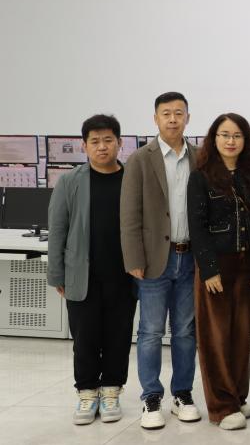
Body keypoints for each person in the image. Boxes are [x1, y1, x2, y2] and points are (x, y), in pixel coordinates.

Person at [47, 114, 137, 425]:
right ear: (84, 146)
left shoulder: (131, 179)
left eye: (108, 140)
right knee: (84, 338)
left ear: (119, 143)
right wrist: (56, 274)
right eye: (95, 141)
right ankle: (86, 392)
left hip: (124, 275)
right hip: (81, 274)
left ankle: (111, 390)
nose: (102, 147)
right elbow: (57, 229)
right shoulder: (70, 182)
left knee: (118, 335)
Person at [120, 92, 201, 429]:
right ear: (155, 119)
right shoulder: (141, 159)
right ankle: (151, 397)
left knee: (185, 331)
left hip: (190, 257)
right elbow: (129, 215)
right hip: (154, 260)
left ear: (187, 118)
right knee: (151, 331)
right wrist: (133, 258)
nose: (172, 119)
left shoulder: (199, 157)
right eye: (166, 113)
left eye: (178, 113)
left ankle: (182, 393)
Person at [187, 113, 250, 430]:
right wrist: (209, 270)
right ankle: (221, 406)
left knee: (242, 335)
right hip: (217, 265)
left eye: (237, 135)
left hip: (247, 264)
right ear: (214, 138)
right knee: (215, 337)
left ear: (245, 140)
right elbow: (198, 226)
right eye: (224, 135)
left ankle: (237, 396)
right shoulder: (201, 177)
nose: (231, 141)